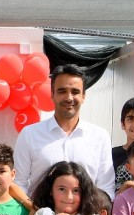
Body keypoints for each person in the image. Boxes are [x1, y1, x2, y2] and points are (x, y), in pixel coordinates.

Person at [13, 64, 113, 197]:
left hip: (87, 210)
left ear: (83, 96)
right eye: (62, 91)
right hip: (38, 210)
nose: (69, 98)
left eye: (75, 92)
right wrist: (33, 208)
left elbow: (106, 187)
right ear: (52, 94)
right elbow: (18, 182)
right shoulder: (29, 134)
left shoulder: (99, 136)